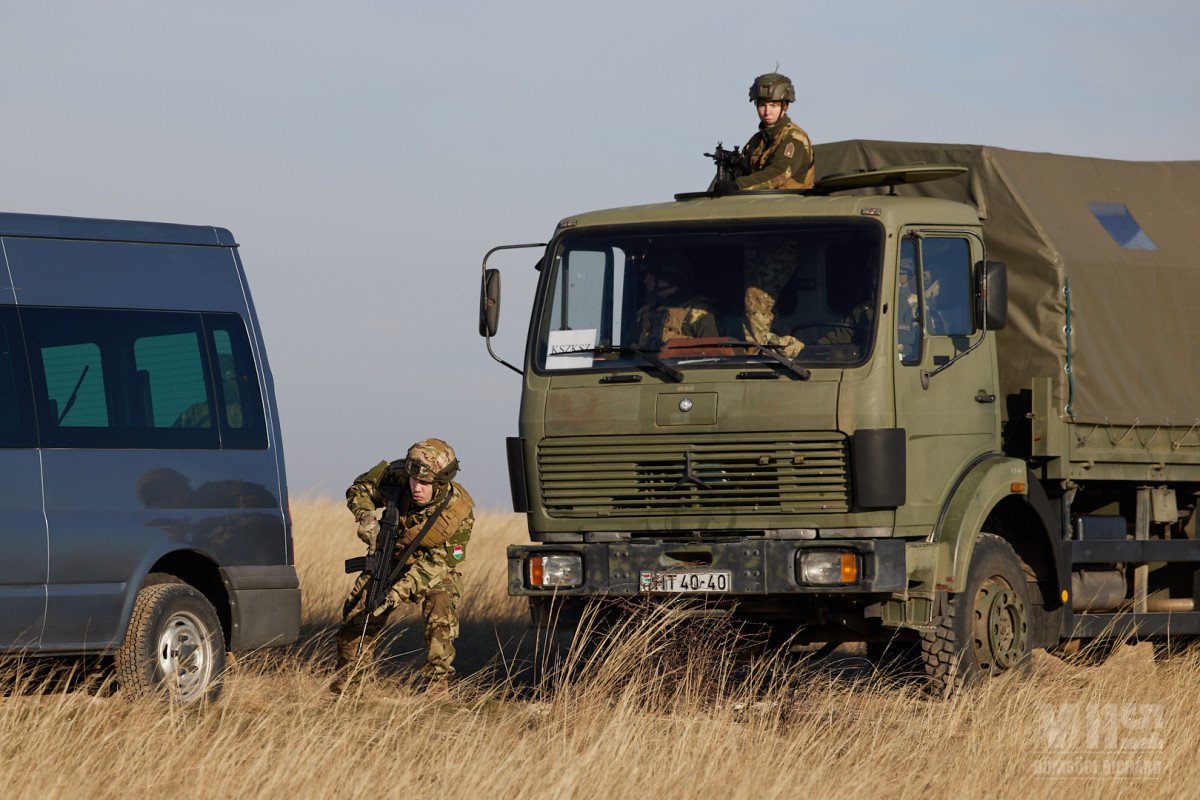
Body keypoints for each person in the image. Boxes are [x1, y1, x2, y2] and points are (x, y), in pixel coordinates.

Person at [331, 438, 474, 694]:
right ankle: (349, 686)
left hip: (430, 569)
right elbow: (359, 489)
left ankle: (436, 687)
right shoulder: (397, 476)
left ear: (441, 483)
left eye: (425, 483)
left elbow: (440, 562)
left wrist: (397, 593)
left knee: (440, 607)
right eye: (413, 480)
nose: (416, 487)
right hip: (390, 558)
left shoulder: (458, 513)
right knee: (359, 615)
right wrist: (366, 517)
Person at [714, 72, 815, 194]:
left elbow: (779, 172)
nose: (767, 112)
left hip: (790, 205)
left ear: (784, 107)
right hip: (758, 205)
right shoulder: (756, 141)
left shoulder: (795, 137)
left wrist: (738, 185)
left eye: (773, 105)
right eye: (762, 105)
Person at [635, 252, 719, 349]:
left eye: (651, 276)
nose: (645, 280)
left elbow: (712, 355)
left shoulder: (699, 313)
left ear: (668, 277)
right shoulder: (644, 313)